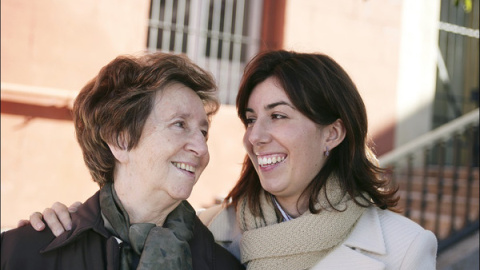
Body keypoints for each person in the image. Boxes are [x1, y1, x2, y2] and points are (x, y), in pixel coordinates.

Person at [20, 50, 438, 269]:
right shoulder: (207, 231)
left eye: (278, 116)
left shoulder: (401, 249)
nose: (255, 137)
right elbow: (120, 219)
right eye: (251, 119)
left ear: (333, 132)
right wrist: (66, 223)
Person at [1, 52, 244, 270]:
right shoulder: (22, 253)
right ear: (121, 141)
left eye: (203, 132)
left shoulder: (222, 265)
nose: (201, 148)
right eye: (179, 125)